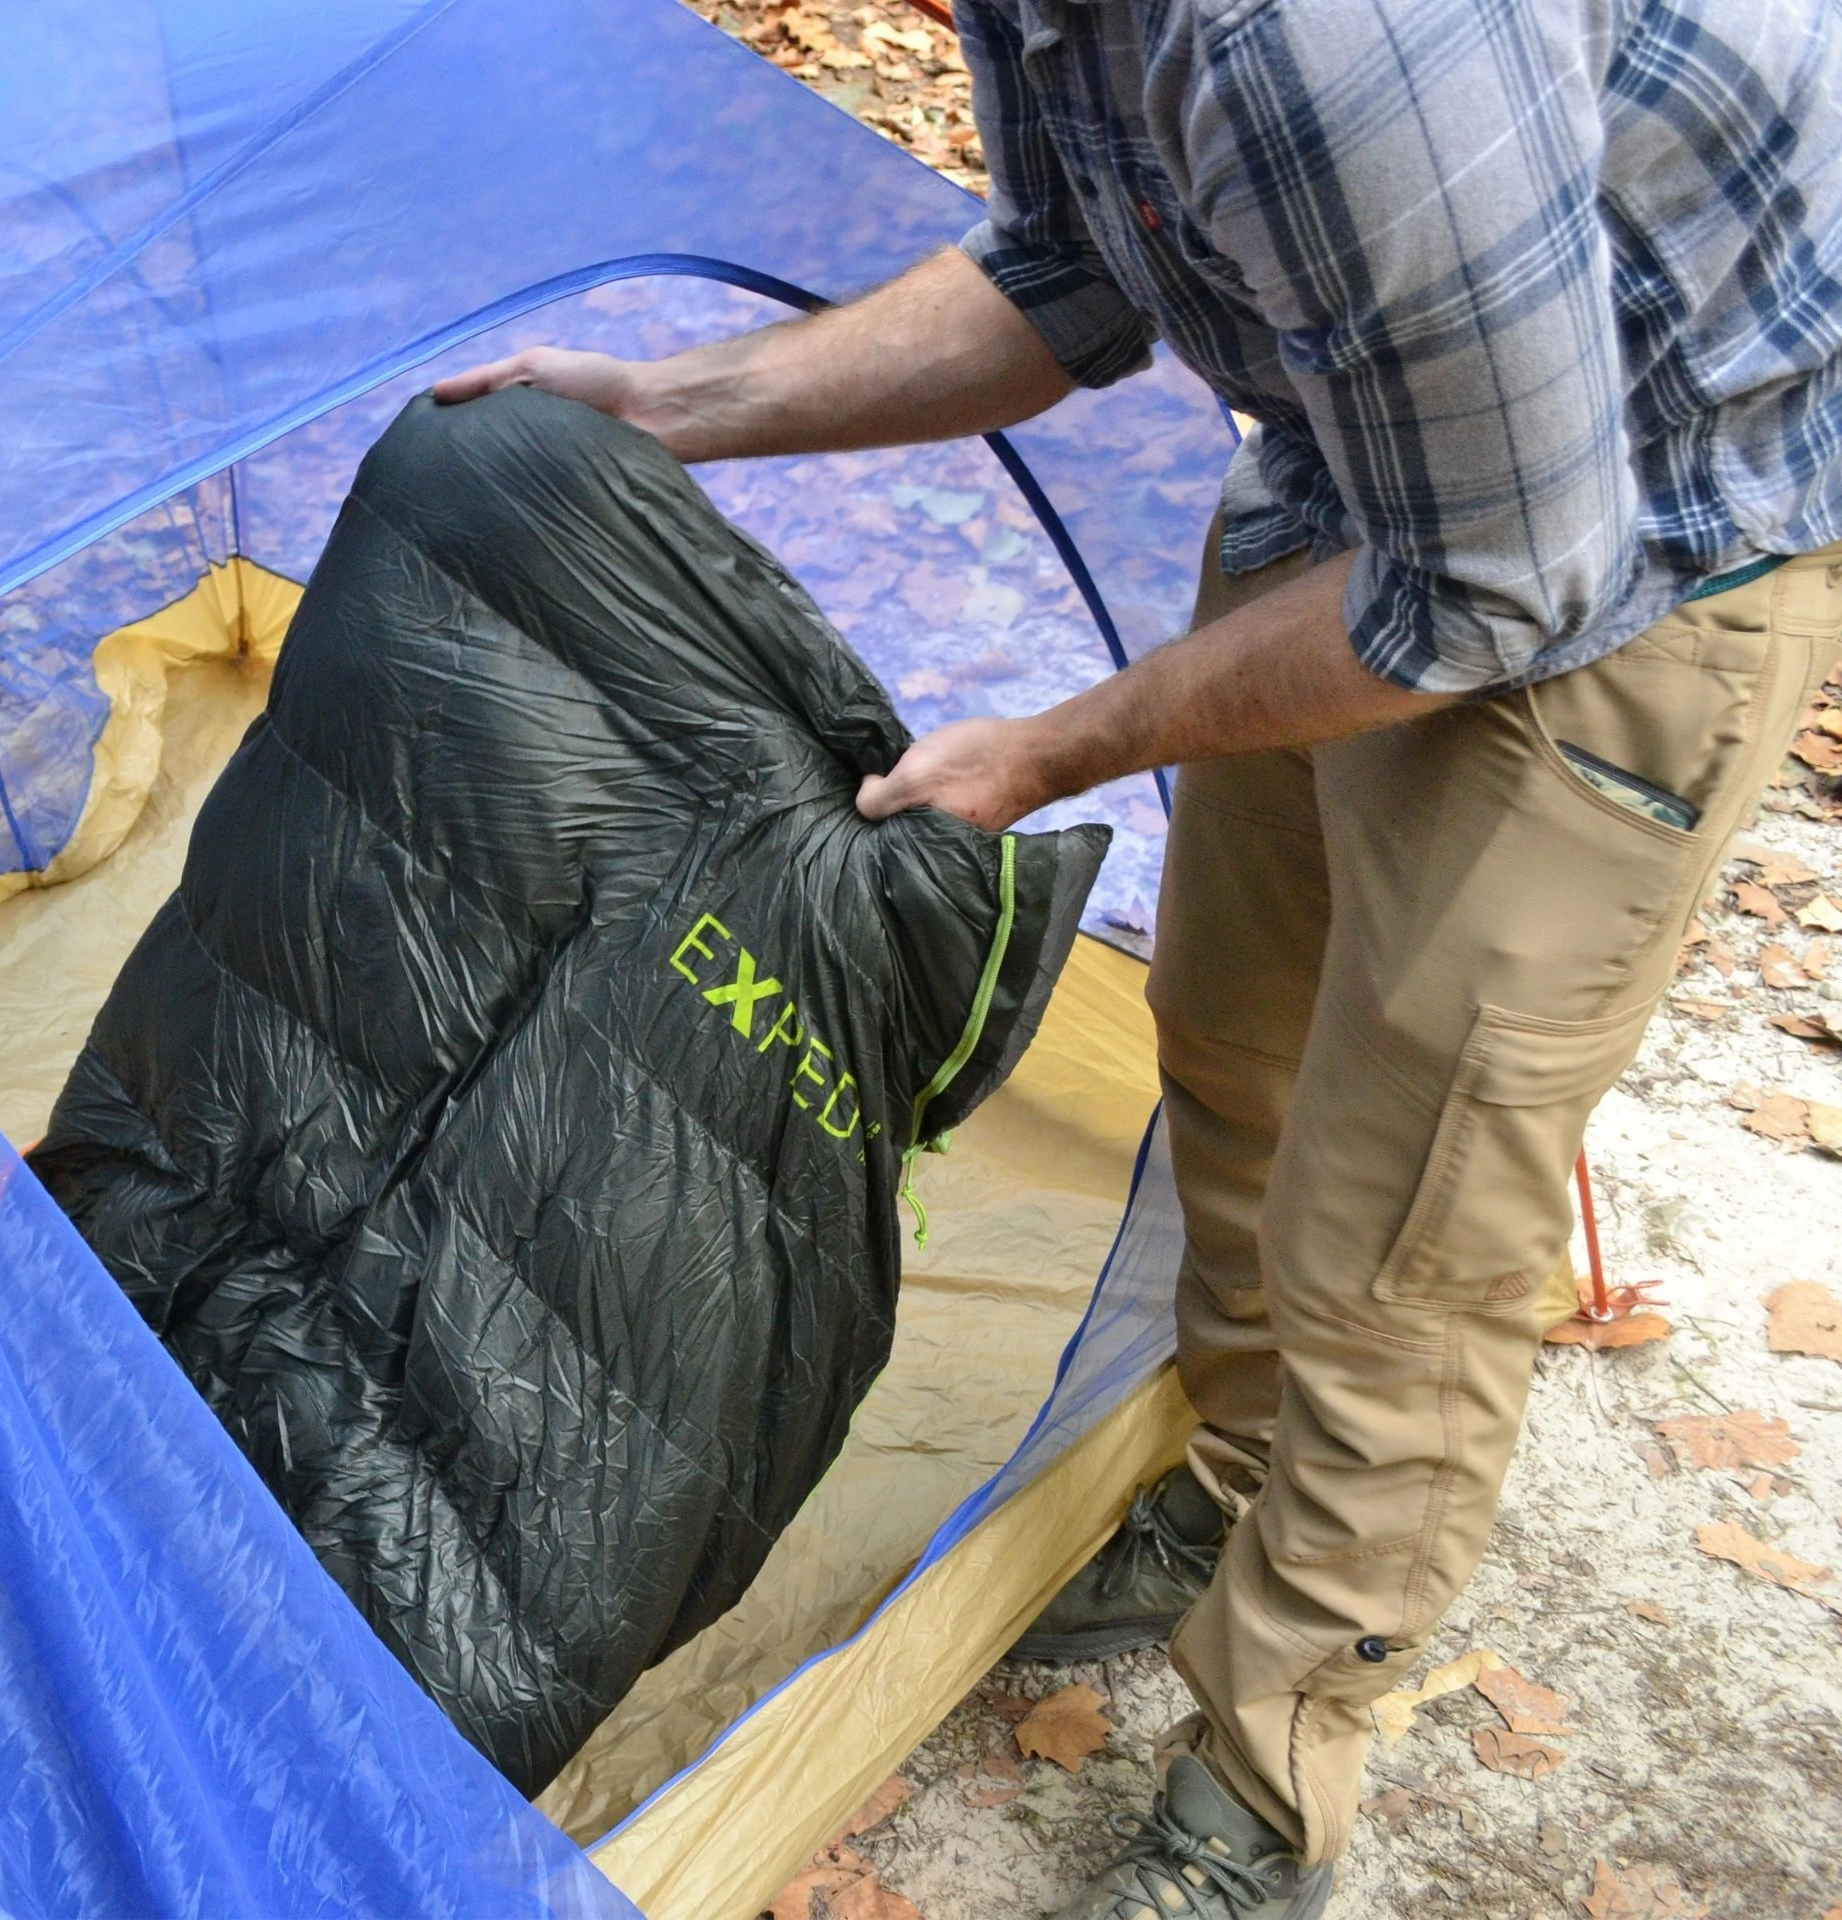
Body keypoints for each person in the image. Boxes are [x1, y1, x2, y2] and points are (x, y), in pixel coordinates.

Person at [438, 0, 1842, 1912]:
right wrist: (676, 405)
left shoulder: (1327, 32)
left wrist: (1051, 746)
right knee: (1235, 1044)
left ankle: (1276, 1779)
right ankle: (1234, 1488)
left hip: (1652, 544)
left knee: (1406, 1220)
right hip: (1389, 472)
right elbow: (1062, 272)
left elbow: (1505, 578)